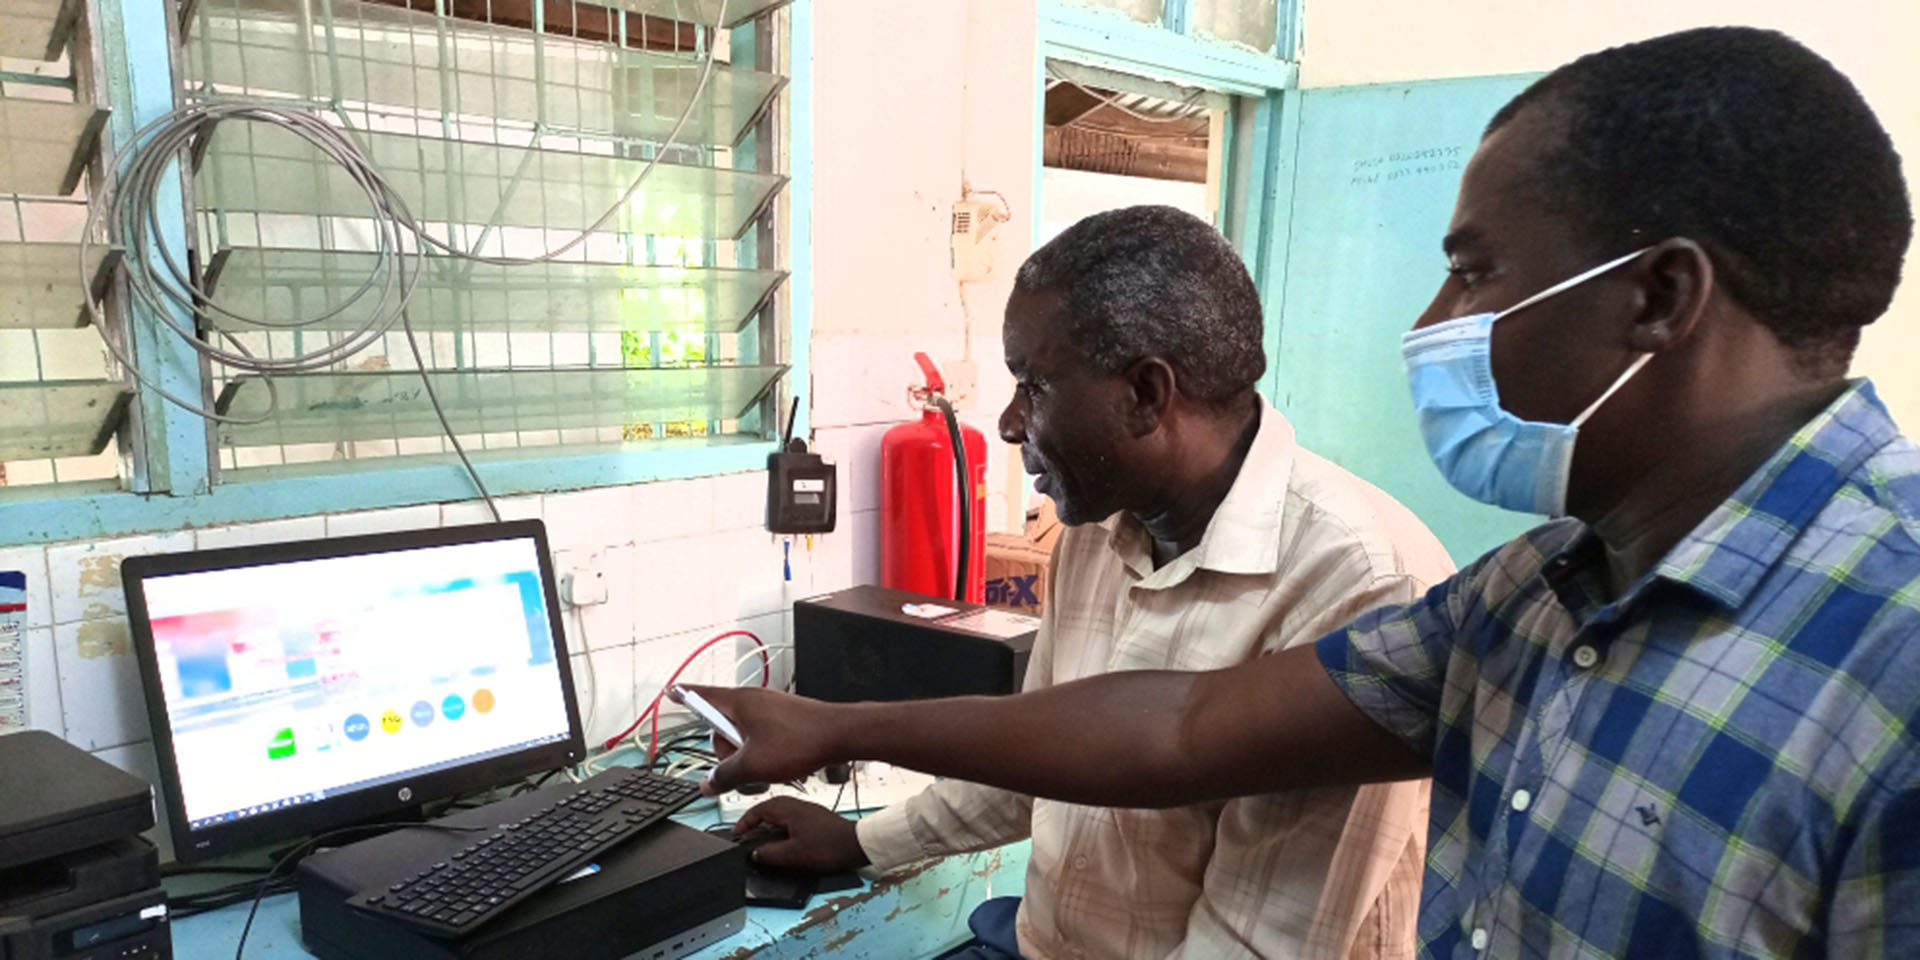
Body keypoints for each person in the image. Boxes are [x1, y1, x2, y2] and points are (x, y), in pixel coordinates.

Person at [683, 26, 1917, 958]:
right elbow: (1175, 732)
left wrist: (844, 732)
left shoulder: (1890, 666)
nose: (1433, 329)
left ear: (1657, 298)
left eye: (1476, 277)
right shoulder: (1532, 596)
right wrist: (845, 752)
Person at [732, 205, 1454, 959]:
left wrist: (840, 733)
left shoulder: (1361, 583)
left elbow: (1253, 943)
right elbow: (1035, 759)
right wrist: (860, 838)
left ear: (1146, 394)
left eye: (1032, 385)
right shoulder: (1097, 530)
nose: (1010, 424)